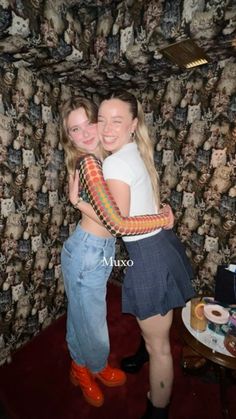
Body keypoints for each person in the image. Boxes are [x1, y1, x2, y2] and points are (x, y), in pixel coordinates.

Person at [60, 96, 174, 408]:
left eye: (88, 124)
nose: (84, 134)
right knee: (92, 320)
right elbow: (115, 223)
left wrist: (80, 203)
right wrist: (79, 203)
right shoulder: (90, 162)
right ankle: (88, 368)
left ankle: (82, 364)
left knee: (81, 313)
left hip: (95, 250)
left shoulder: (106, 158)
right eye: (74, 130)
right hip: (86, 252)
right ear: (68, 137)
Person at [95, 90, 195, 419]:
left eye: (117, 121)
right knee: (154, 322)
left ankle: (158, 410)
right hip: (160, 245)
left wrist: (84, 204)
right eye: (102, 120)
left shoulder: (114, 162)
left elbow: (118, 223)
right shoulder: (135, 149)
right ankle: (143, 351)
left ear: (133, 125)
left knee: (161, 347)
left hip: (148, 252)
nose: (107, 128)